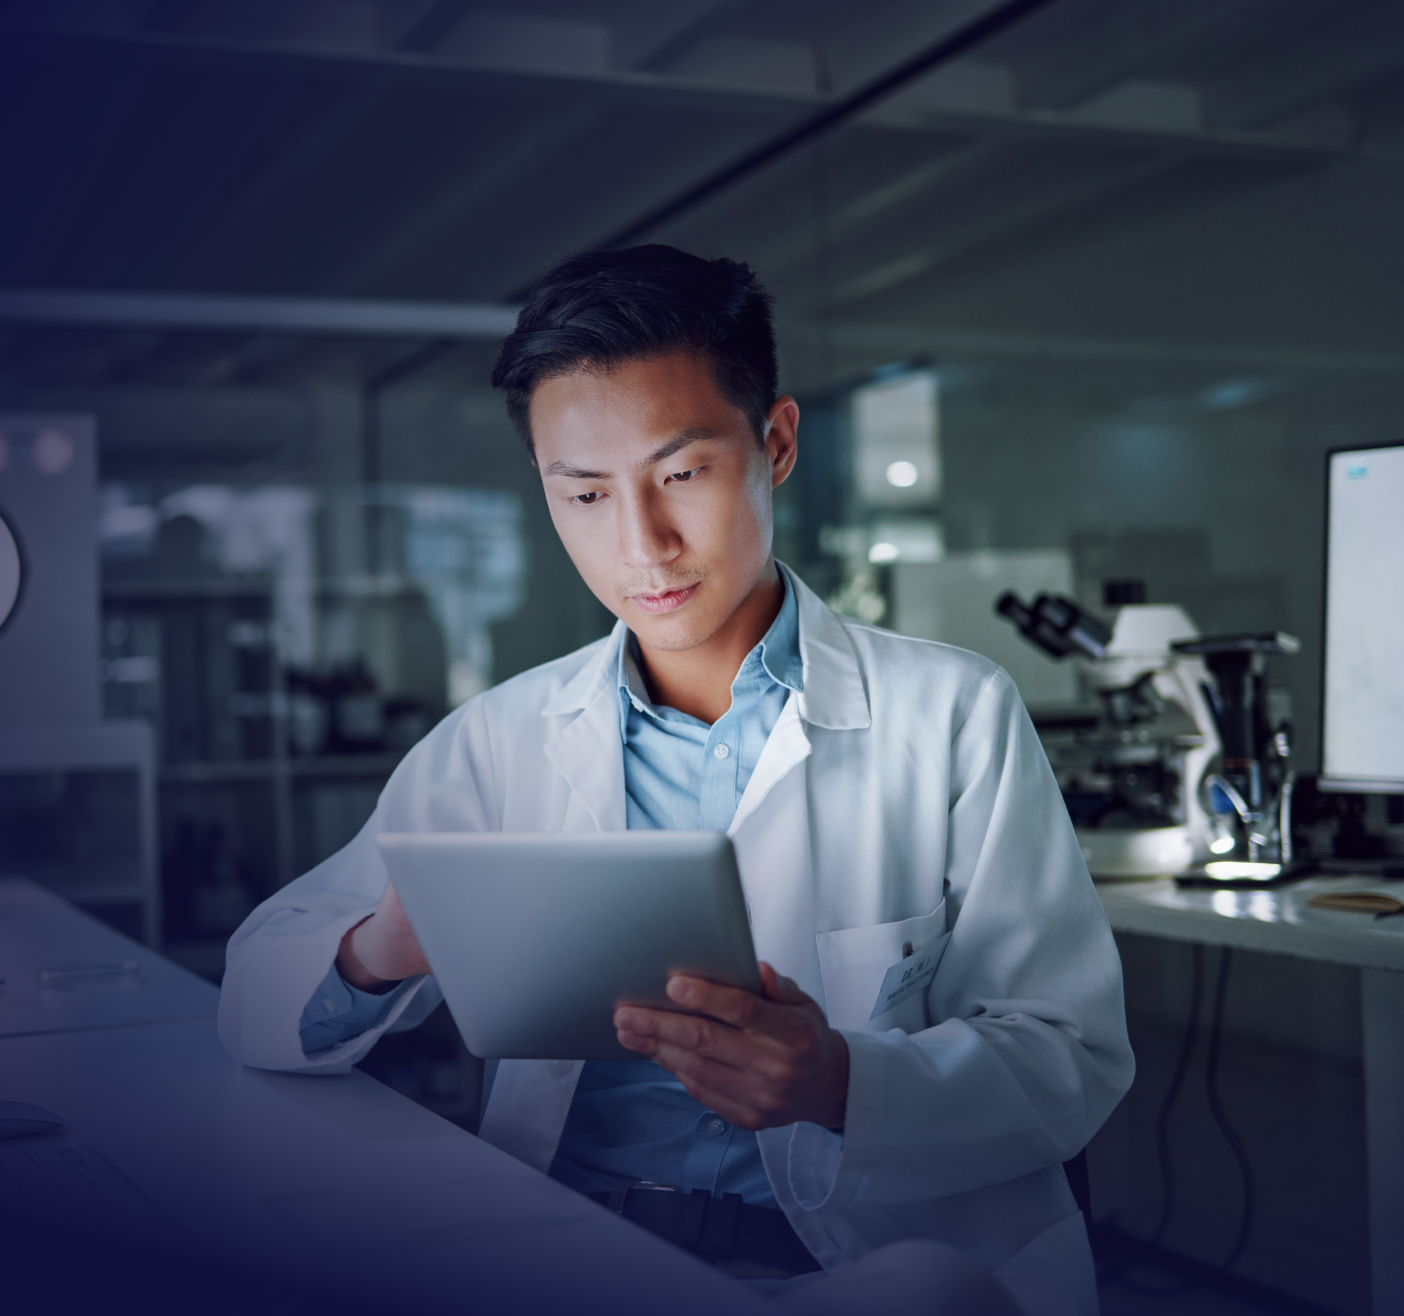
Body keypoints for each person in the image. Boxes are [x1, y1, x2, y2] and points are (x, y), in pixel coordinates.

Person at [219, 245, 1133, 1314]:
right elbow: (253, 998)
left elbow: (1070, 1054)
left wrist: (843, 1079)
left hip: (854, 1265)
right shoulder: (499, 741)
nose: (640, 543)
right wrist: (382, 948)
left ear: (776, 442)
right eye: (586, 493)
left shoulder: (954, 713)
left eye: (683, 473)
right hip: (570, 1252)